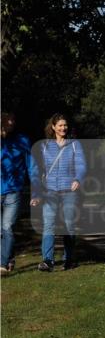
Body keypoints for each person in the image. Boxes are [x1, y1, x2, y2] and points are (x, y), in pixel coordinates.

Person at [32, 113, 87, 272]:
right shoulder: (45, 146)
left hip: (69, 190)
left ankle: (69, 259)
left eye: (65, 125)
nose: (64, 128)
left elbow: (81, 164)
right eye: (60, 125)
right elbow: (40, 170)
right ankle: (48, 261)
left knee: (69, 224)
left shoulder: (74, 144)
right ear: (53, 127)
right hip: (50, 191)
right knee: (48, 225)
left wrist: (78, 179)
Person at [1, 111, 38, 275]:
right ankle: (9, 258)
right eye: (8, 120)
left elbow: (31, 166)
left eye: (13, 120)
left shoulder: (22, 140)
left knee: (7, 226)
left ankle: (2, 263)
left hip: (13, 190)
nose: (12, 123)